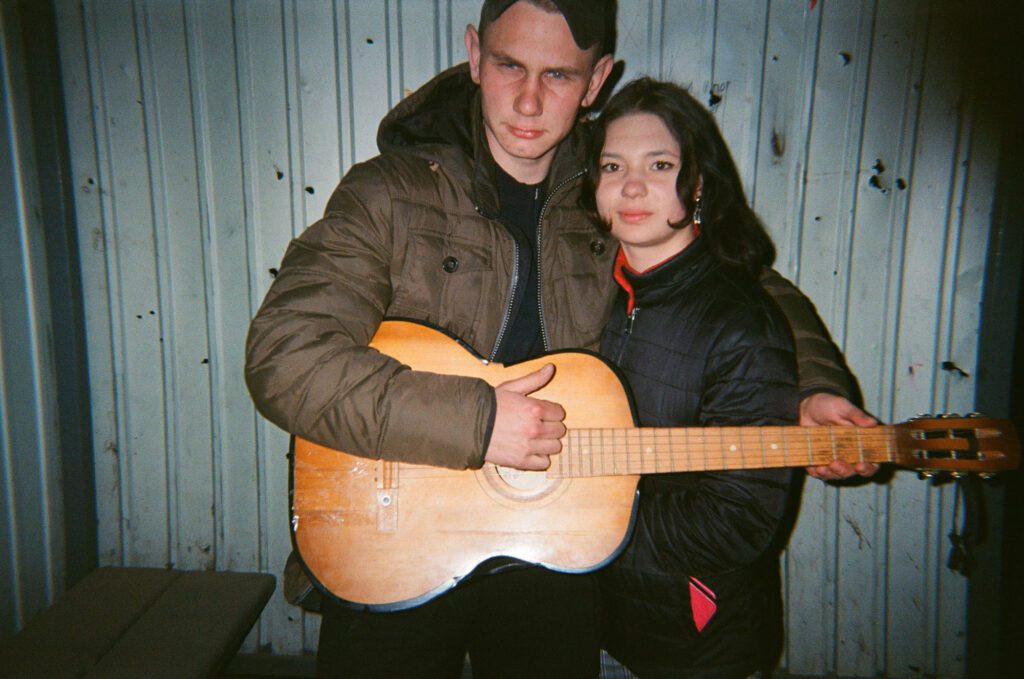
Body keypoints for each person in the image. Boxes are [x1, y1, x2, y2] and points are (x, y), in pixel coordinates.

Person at [244, 1, 873, 676]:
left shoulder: (607, 190)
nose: (530, 100)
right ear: (475, 56)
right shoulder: (388, 195)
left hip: (549, 553)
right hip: (389, 539)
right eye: (510, 64)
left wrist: (814, 384)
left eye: (561, 76)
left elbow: (738, 279)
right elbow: (286, 352)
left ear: (598, 79)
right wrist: (477, 422)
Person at [583, 77, 804, 677]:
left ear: (699, 182)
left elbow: (739, 516)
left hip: (694, 644)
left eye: (659, 164)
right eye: (612, 165)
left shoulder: (740, 322)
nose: (631, 186)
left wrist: (585, 521)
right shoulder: (591, 294)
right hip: (595, 623)